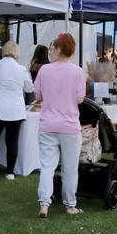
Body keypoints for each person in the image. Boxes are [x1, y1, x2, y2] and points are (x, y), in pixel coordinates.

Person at [34, 33, 86, 218]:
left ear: (58, 49)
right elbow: (80, 99)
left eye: (52, 48)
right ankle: (70, 205)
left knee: (47, 166)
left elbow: (38, 96)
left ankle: (44, 204)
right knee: (70, 168)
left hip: (48, 124)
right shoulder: (78, 72)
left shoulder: (44, 70)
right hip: (70, 125)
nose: (50, 51)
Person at [0, 41, 33, 181]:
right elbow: (29, 89)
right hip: (16, 110)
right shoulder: (22, 69)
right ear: (17, 52)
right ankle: (10, 172)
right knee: (12, 142)